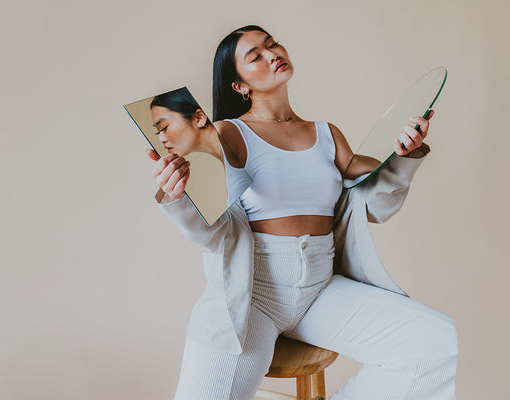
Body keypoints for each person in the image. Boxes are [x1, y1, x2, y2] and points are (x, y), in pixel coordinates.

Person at [147, 25, 458, 400]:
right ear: (239, 86)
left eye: (272, 43)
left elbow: (375, 203)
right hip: (254, 295)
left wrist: (407, 154)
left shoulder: (327, 134)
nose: (272, 53)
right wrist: (176, 194)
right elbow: (211, 229)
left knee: (433, 342)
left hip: (321, 288)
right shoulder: (229, 134)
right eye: (255, 55)